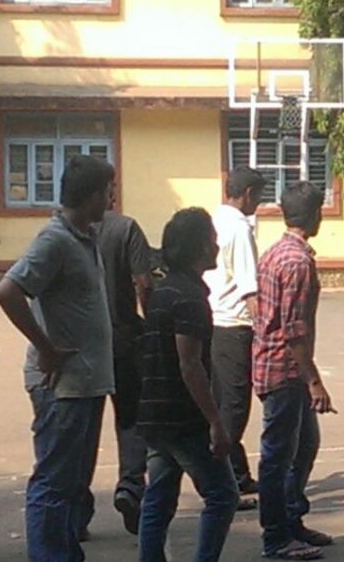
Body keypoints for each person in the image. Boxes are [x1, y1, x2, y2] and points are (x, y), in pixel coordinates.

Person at [0, 155, 117, 562]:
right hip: (62, 384)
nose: (111, 198)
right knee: (53, 480)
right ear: (93, 195)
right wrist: (45, 346)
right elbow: (8, 291)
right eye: (107, 190)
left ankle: (63, 552)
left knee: (69, 481)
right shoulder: (55, 240)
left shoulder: (84, 236)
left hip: (86, 380)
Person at [136, 208, 238, 562]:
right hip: (183, 416)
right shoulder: (190, 299)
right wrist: (214, 421)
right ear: (198, 248)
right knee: (223, 493)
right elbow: (190, 363)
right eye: (211, 241)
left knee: (159, 497)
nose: (216, 246)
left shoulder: (165, 292)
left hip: (155, 413)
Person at [254, 182, 334, 560]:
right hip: (285, 370)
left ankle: (290, 519)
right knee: (278, 456)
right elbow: (294, 329)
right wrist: (314, 381)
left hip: (277, 365)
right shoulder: (297, 262)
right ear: (314, 214)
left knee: (304, 445)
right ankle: (276, 536)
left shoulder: (276, 252)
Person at [205, 167, 267, 509]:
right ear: (246, 194)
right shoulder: (240, 230)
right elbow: (249, 288)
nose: (258, 203)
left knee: (220, 400)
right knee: (233, 405)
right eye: (257, 196)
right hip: (233, 323)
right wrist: (266, 331)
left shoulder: (215, 219)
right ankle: (222, 479)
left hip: (211, 319)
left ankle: (237, 474)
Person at [95, 210, 154, 534]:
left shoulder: (61, 230)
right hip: (124, 337)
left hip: (84, 343)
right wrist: (153, 322)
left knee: (84, 425)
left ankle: (76, 511)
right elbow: (143, 281)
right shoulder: (125, 227)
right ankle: (130, 486)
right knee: (130, 418)